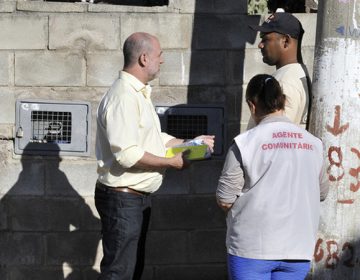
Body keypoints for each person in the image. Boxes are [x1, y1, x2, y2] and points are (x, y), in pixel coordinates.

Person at [95, 32, 214, 280]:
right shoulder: (124, 97)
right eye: (159, 55)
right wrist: (171, 162)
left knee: (130, 271)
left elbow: (155, 139)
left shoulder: (138, 93)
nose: (162, 60)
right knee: (119, 274)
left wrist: (191, 144)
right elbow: (127, 154)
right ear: (143, 58)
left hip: (134, 199)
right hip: (123, 199)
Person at [216, 74, 328, 280]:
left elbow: (225, 199)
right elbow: (321, 192)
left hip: (251, 247)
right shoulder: (314, 144)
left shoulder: (244, 143)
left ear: (252, 105)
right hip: (298, 247)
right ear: (283, 101)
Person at [248, 12, 311, 130]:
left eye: (265, 39)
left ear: (285, 41)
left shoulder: (284, 81)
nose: (260, 45)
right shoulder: (296, 73)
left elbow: (277, 136)